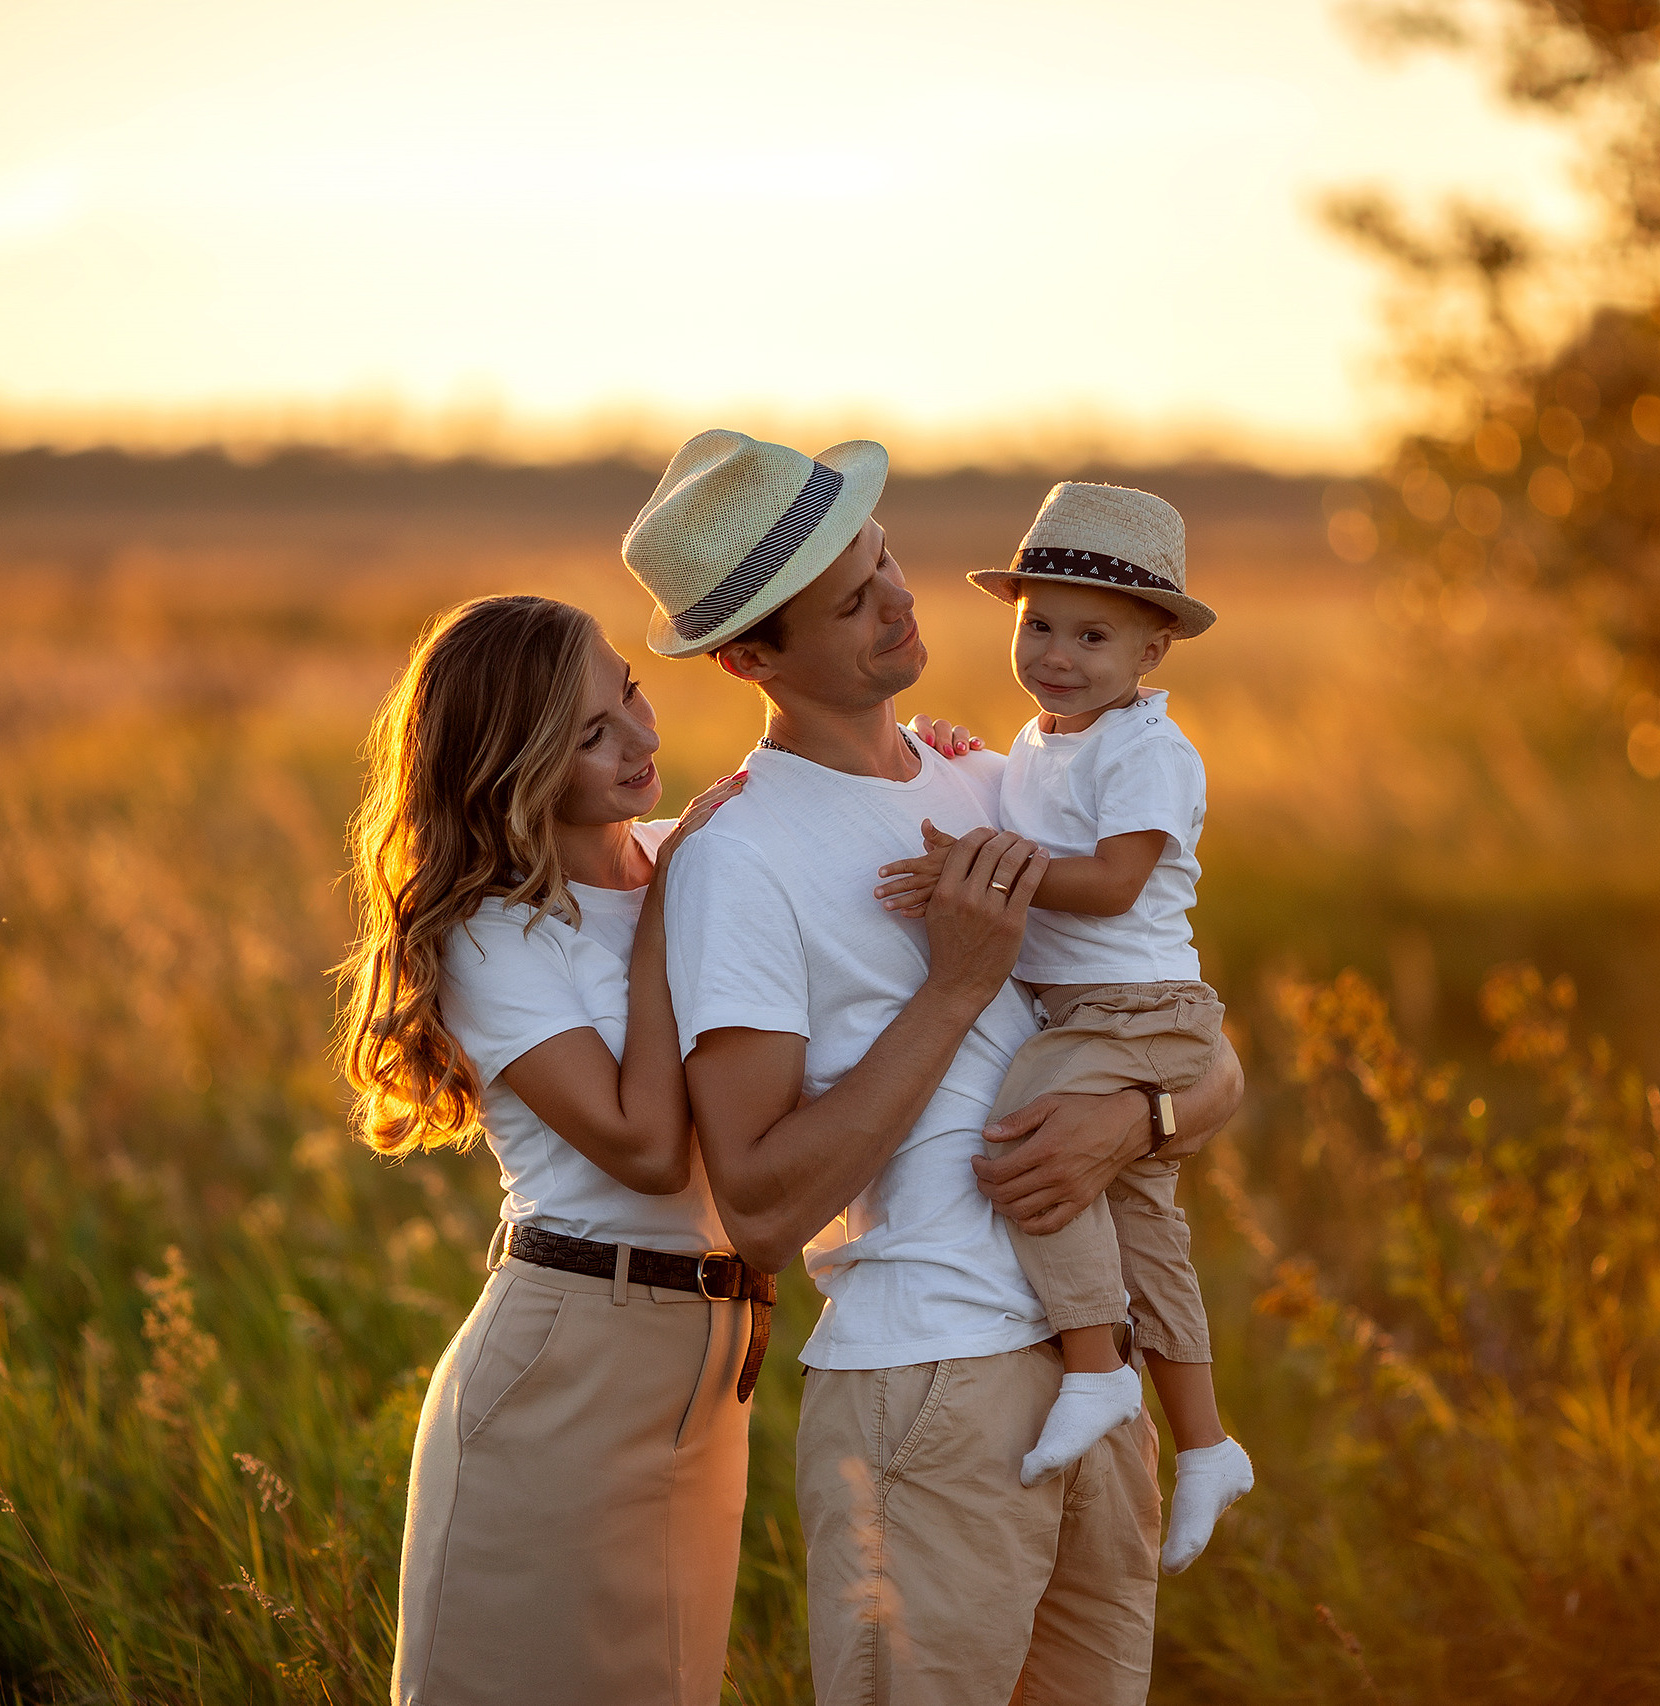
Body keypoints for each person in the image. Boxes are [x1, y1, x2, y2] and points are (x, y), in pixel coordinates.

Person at [622, 430, 1245, 1705]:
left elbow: (1206, 1056)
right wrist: (956, 984)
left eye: (885, 559)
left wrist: (1134, 1118)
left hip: (1098, 1369)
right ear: (749, 659)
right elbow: (762, 1208)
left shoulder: (994, 776)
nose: (900, 601)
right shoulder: (739, 857)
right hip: (930, 1384)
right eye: (853, 600)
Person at [337, 593, 759, 1706]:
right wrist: (671, 908)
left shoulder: (690, 855)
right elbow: (647, 1149)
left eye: (631, 692)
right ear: (511, 765)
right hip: (566, 1364)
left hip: (712, 1365)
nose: (642, 737)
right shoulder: (495, 930)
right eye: (589, 735)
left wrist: (934, 765)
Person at [874, 482, 1254, 1573]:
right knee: (1148, 1233)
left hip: (1136, 1010)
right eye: (1038, 624)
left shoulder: (1147, 749)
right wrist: (959, 759)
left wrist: (982, 867)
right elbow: (1040, 807)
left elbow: (1114, 880)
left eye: (1093, 637)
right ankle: (1207, 1443)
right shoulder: (1044, 741)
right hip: (1103, 1011)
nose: (1056, 655)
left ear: (1151, 652)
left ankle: (1094, 1367)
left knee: (1027, 1126)